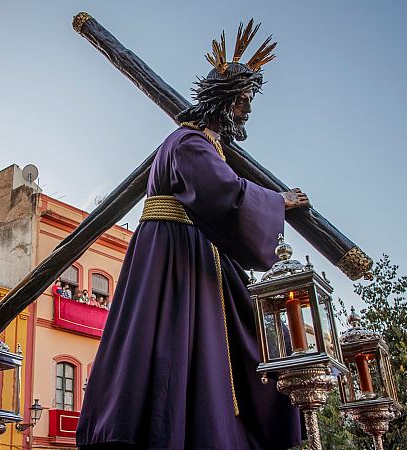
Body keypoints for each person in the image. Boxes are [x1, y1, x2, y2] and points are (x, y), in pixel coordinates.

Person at [77, 20, 308, 450]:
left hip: (198, 251)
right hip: (175, 257)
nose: (247, 112)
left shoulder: (204, 145)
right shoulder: (188, 143)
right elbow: (223, 195)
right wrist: (278, 201)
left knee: (247, 337)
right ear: (225, 101)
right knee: (177, 346)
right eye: (243, 101)